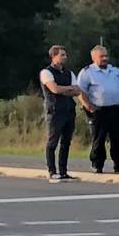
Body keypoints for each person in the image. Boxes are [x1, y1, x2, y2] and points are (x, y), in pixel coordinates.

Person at [76, 45, 119, 174]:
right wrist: (87, 105)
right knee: (99, 138)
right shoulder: (87, 72)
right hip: (98, 110)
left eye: (106, 56)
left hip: (115, 109)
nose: (105, 58)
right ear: (93, 58)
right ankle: (97, 164)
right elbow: (80, 90)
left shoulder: (116, 71)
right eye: (101, 56)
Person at [37, 45, 82, 181]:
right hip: (55, 111)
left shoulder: (69, 73)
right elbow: (54, 89)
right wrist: (69, 89)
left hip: (69, 110)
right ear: (54, 56)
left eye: (65, 55)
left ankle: (63, 170)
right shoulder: (46, 72)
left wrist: (67, 89)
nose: (65, 57)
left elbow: (77, 90)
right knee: (52, 141)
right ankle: (52, 170)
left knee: (66, 142)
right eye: (62, 55)